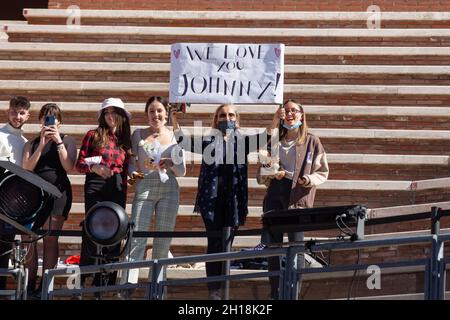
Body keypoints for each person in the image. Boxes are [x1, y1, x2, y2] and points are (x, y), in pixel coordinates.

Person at [171, 104, 267, 300]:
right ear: (216, 119)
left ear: (237, 119)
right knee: (214, 243)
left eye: (231, 115)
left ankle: (224, 288)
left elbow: (266, 137)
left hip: (234, 200)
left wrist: (277, 116)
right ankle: (214, 291)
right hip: (211, 200)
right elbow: (183, 141)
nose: (227, 118)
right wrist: (173, 118)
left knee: (227, 245)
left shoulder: (243, 142)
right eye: (222, 115)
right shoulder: (208, 141)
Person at [258, 99, 329, 300]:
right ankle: (275, 292)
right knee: (272, 247)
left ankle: (293, 293)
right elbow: (261, 172)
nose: (290, 114)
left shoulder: (312, 141)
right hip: (275, 194)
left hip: (298, 194)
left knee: (296, 247)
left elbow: (322, 170)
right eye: (286, 111)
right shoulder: (274, 141)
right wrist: (271, 172)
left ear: (301, 115)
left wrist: (308, 179)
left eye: (294, 111)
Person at [122, 96, 186, 289]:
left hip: (169, 188)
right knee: (137, 237)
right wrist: (135, 175)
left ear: (166, 114)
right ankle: (127, 284)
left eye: (159, 111)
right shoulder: (138, 134)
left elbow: (182, 171)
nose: (155, 115)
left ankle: (157, 285)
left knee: (162, 240)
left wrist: (170, 164)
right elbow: (131, 164)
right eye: (151, 111)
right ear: (146, 114)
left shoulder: (176, 135)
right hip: (144, 186)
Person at [75, 97, 132, 290]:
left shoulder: (126, 139)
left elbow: (127, 170)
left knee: (116, 229)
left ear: (121, 115)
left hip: (117, 186)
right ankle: (84, 276)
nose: (110, 116)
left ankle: (106, 279)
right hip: (95, 183)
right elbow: (79, 164)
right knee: (92, 228)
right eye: (106, 113)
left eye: (114, 112)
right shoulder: (93, 134)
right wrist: (95, 168)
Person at [21, 103, 77, 298]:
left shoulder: (68, 141)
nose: (49, 121)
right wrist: (43, 144)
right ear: (40, 121)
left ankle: (47, 282)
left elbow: (68, 165)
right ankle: (30, 282)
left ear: (59, 122)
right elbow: (27, 168)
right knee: (29, 237)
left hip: (57, 194)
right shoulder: (31, 143)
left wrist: (58, 141)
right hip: (34, 195)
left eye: (53, 118)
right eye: (46, 117)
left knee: (51, 239)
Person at [0, 96, 31, 292]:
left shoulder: (25, 142)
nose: (17, 116)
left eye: (21, 113)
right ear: (7, 111)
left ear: (28, 115)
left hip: (11, 202)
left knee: (5, 247)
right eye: (14, 112)